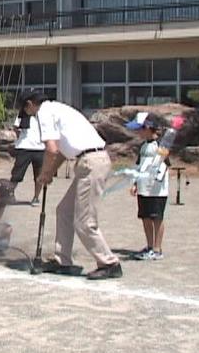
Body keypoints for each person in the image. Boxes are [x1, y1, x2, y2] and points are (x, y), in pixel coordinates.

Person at [19, 90, 122, 280]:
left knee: (84, 221)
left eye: (27, 111)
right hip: (89, 161)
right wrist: (49, 173)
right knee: (64, 211)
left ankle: (109, 263)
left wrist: (45, 173)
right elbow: (61, 153)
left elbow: (51, 149)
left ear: (30, 104)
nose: (30, 115)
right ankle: (62, 260)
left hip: (91, 162)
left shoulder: (43, 112)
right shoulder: (57, 109)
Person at [126, 112, 170, 261]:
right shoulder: (143, 146)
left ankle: (157, 249)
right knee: (145, 218)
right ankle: (150, 246)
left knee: (157, 218)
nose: (138, 132)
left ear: (148, 127)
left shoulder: (161, 145)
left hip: (157, 190)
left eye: (140, 128)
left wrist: (156, 179)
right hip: (143, 189)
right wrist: (135, 183)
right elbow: (138, 166)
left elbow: (165, 165)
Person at [10, 109, 45, 206]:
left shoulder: (44, 114)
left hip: (40, 147)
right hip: (24, 147)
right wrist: (20, 137)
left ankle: (36, 197)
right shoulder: (23, 113)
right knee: (17, 173)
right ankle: (10, 193)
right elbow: (16, 127)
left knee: (39, 175)